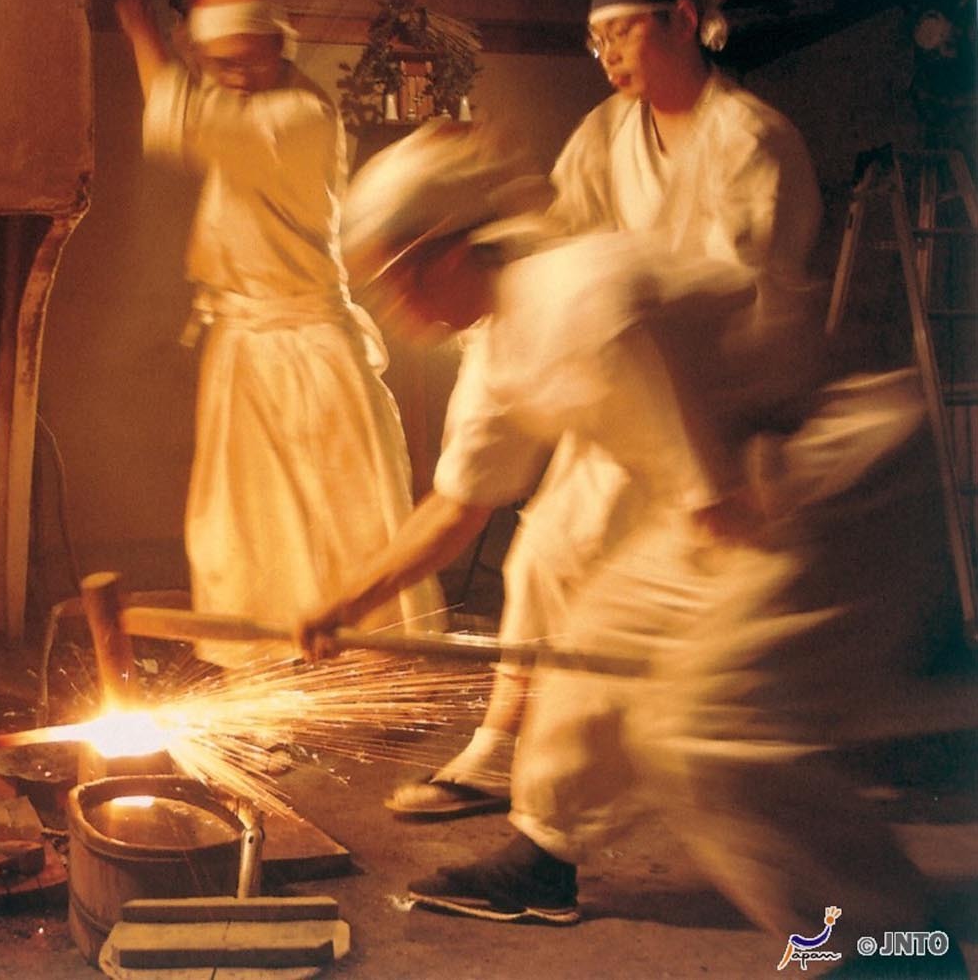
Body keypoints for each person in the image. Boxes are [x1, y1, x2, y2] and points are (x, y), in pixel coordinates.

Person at [299, 122, 962, 970]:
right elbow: (456, 509)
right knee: (591, 642)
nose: (392, 305)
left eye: (394, 278)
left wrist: (721, 585)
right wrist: (343, 604)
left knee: (708, 730)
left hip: (838, 478)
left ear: (451, 251)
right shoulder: (500, 342)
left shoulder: (577, 302)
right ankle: (544, 854)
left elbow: (709, 486)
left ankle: (894, 945)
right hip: (744, 491)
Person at [387, 0, 825, 819]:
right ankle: (504, 747)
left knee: (607, 566)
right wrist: (488, 189)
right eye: (599, 40)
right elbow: (554, 240)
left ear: (685, 21)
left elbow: (745, 290)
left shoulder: (752, 139)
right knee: (544, 553)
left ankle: (593, 769)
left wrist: (634, 311)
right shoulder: (603, 134)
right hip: (622, 383)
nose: (610, 54)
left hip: (721, 397)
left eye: (625, 31)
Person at [113, 0, 443, 667]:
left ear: (279, 46)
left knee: (344, 520)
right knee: (246, 523)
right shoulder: (252, 107)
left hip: (309, 351)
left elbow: (181, 119)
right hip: (245, 345)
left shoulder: (298, 117)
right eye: (219, 64)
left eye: (248, 59)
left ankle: (371, 666)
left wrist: (140, 28)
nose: (234, 76)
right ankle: (266, 663)